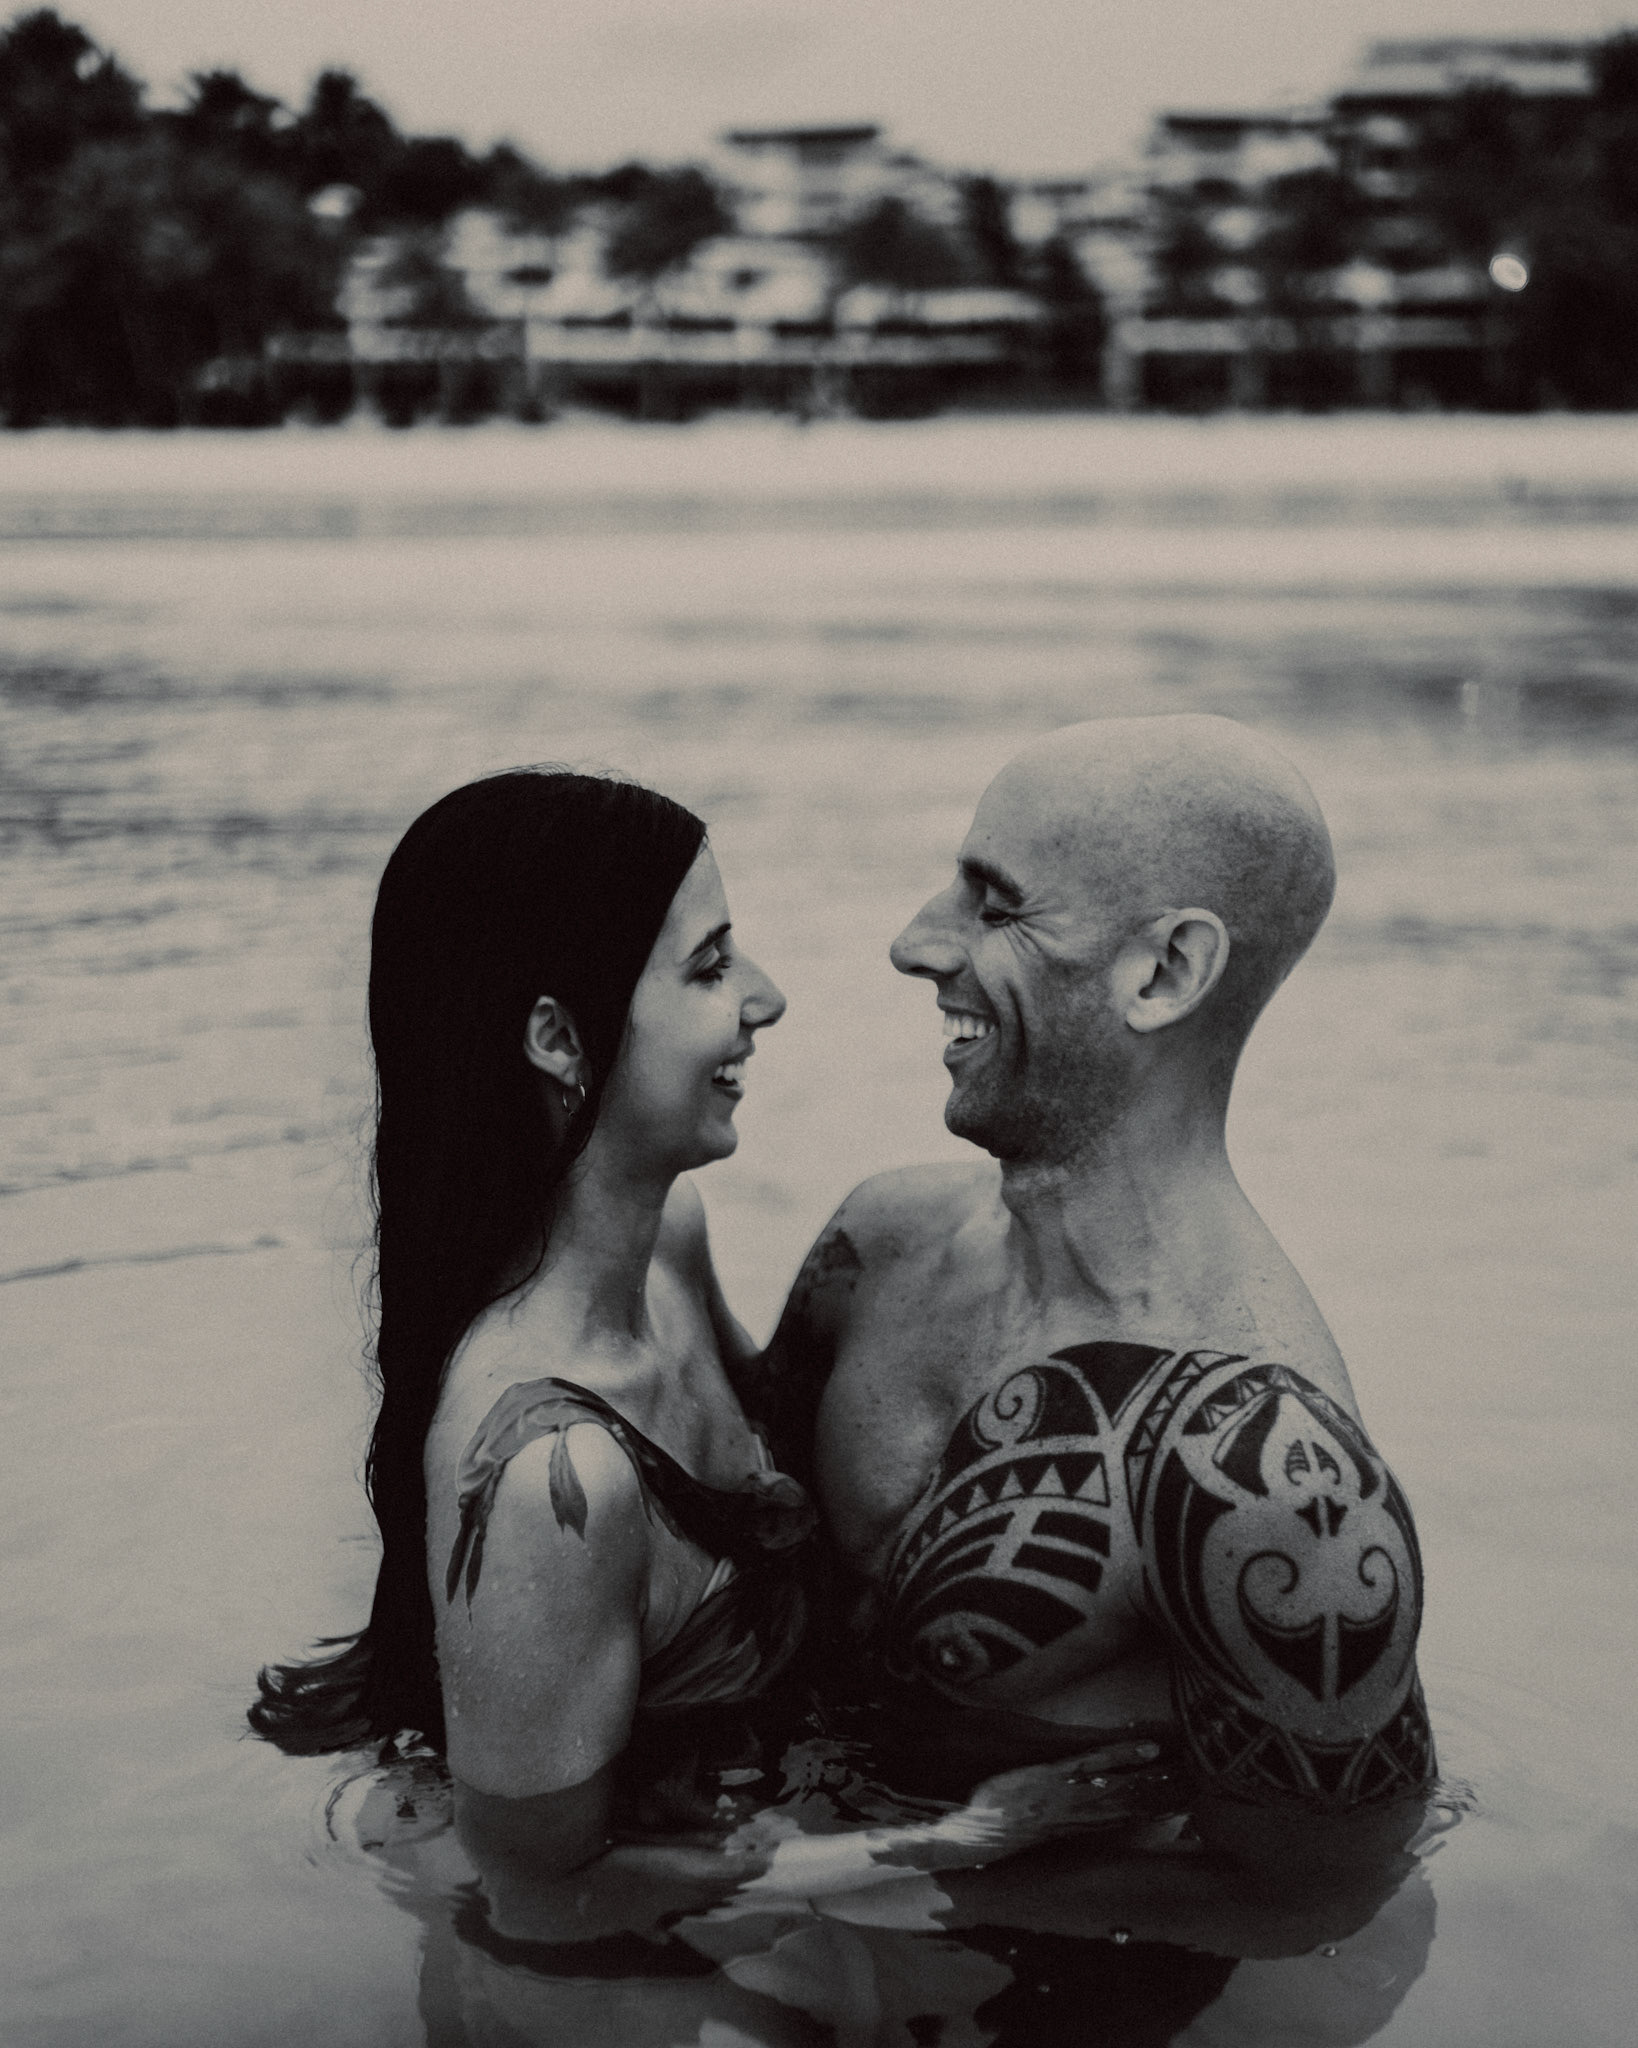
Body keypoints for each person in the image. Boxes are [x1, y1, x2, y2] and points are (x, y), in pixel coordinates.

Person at [250, 766, 1169, 1962]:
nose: (766, 998)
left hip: (746, 1878)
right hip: (601, 1998)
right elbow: (543, 1885)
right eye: (709, 965)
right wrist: (965, 1837)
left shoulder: (668, 1256)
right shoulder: (547, 1473)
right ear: (557, 1040)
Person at [745, 714, 1436, 1888]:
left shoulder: (1274, 1479)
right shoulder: (882, 1241)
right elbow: (731, 1549)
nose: (915, 944)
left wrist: (909, 1881)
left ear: (1164, 971)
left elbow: (1321, 1902)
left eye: (994, 904)